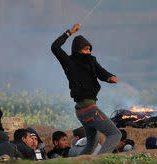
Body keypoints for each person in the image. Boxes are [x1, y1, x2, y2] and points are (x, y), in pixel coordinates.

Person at [51, 23, 122, 155]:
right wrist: (69, 32)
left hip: (81, 111)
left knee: (92, 142)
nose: (88, 52)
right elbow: (55, 47)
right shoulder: (69, 62)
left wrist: (110, 77)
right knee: (114, 134)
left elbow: (101, 72)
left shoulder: (91, 61)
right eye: (85, 49)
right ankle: (100, 162)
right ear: (77, 50)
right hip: (89, 110)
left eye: (90, 49)